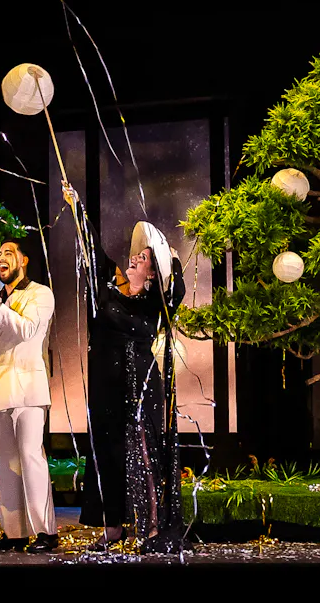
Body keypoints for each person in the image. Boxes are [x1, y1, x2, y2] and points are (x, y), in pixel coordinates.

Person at [63, 183, 187, 554]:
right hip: (105, 380)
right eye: (139, 254)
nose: (136, 258)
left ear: (153, 271)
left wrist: (172, 261)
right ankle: (114, 526)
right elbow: (91, 246)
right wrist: (77, 207)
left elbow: (176, 289)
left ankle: (149, 528)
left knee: (142, 452)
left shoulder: (154, 302)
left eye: (146, 257)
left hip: (139, 380)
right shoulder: (108, 286)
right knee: (106, 450)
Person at [0, 236, 59, 552]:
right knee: (4, 466)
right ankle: (15, 533)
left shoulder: (40, 294)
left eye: (9, 253)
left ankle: (46, 532)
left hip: (27, 389)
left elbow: (28, 330)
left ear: (24, 261)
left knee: (31, 459)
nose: (1, 258)